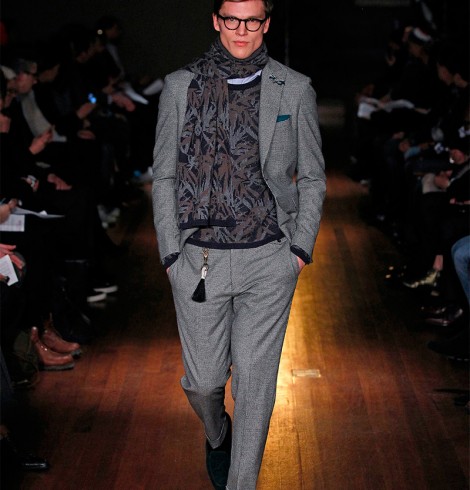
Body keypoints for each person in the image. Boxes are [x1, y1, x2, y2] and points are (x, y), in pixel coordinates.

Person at [151, 1, 326, 489]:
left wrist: (299, 249)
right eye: (232, 19)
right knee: (204, 383)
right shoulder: (179, 87)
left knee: (255, 384)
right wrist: (170, 253)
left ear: (266, 23)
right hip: (197, 260)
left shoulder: (294, 88)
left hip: (269, 258)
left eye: (252, 20)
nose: (242, 30)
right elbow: (164, 174)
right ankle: (216, 432)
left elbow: (312, 176)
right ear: (216, 20)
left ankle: (240, 483)